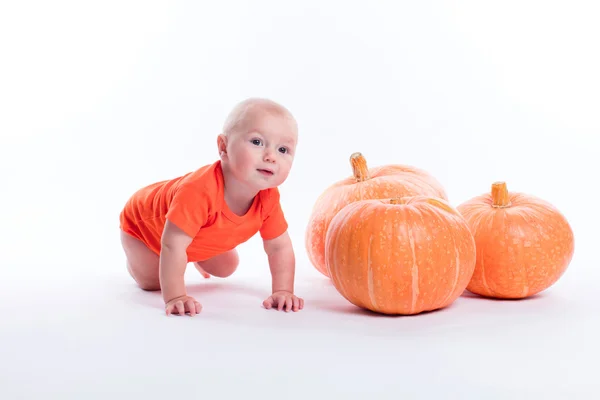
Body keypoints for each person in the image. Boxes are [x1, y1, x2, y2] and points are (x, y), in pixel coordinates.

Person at [119, 98, 303, 316]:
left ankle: (192, 250)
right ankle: (138, 261)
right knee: (152, 281)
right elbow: (172, 245)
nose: (271, 156)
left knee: (227, 267)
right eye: (257, 142)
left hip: (189, 233)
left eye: (283, 149)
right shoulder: (198, 191)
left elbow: (279, 247)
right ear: (223, 147)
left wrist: (283, 291)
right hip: (144, 228)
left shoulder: (268, 197)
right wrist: (176, 296)